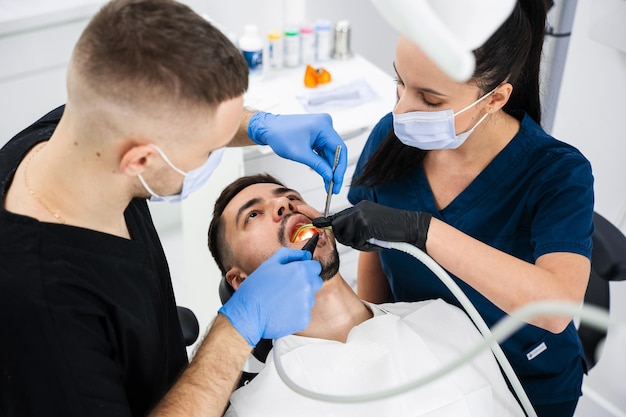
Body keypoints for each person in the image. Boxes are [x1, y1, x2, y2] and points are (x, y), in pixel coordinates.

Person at [0, 1, 348, 416]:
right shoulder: (45, 312)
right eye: (207, 149)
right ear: (139, 161)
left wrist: (258, 126)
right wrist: (237, 327)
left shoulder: (81, 132)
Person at [313, 1, 594, 417]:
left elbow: (556, 310)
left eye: (429, 98)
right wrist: (369, 337)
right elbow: (375, 257)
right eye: (400, 83)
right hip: (426, 371)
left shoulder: (557, 173)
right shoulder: (392, 138)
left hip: (523, 383)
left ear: (494, 98)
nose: (401, 110)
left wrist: (422, 230)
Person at [207, 173, 526, 417]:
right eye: (253, 215)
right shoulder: (256, 409)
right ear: (240, 281)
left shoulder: (445, 320)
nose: (285, 205)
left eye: (291, 197)